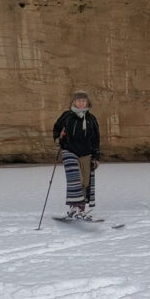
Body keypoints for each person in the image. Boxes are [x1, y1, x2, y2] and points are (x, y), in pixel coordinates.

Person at [52, 90, 101, 220]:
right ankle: (75, 207)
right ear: (74, 102)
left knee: (85, 182)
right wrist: (59, 138)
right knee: (75, 179)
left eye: (83, 101)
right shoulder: (67, 116)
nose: (81, 103)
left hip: (86, 153)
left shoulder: (91, 119)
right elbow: (56, 128)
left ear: (87, 102)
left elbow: (96, 138)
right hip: (69, 150)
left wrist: (96, 156)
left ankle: (78, 209)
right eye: (78, 100)